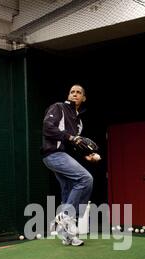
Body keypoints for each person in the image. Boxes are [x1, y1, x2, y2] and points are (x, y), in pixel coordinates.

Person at [42, 84, 99, 246]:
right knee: (85, 179)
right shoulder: (58, 107)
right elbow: (47, 128)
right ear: (68, 95)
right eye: (72, 92)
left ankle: (67, 236)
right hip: (53, 154)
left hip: (63, 156)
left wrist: (88, 155)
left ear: (84, 98)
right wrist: (71, 137)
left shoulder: (78, 121)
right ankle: (65, 215)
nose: (75, 94)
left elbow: (75, 145)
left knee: (68, 192)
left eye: (79, 92)